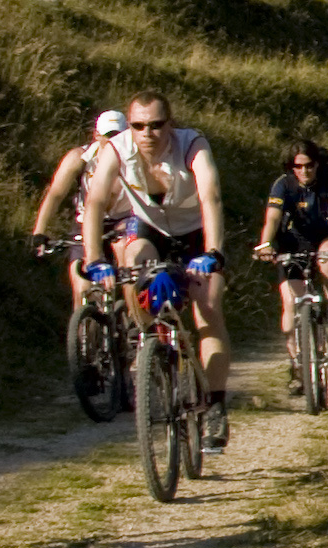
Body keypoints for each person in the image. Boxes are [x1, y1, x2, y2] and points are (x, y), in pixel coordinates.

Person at [79, 90, 232, 445]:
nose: (147, 133)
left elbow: (211, 196)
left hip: (195, 232)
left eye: (156, 125)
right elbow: (96, 202)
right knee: (133, 261)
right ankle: (145, 338)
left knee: (207, 307)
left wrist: (213, 251)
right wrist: (93, 259)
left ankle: (215, 406)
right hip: (151, 228)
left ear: (171, 124)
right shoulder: (117, 149)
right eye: (138, 125)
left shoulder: (192, 144)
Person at [26, 109, 129, 313]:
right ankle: (84, 336)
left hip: (122, 220)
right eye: (108, 136)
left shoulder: (134, 159)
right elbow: (55, 193)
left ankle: (134, 321)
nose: (113, 142)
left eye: (118, 136)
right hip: (86, 222)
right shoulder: (79, 158)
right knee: (81, 286)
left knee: (129, 270)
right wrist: (39, 232)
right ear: (96, 135)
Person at [255, 139, 328, 339]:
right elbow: (273, 217)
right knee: (291, 306)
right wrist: (265, 244)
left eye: (309, 165)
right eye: (298, 166)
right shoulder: (283, 184)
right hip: (292, 242)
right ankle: (297, 362)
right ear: (291, 167)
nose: (305, 171)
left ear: (317, 164)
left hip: (323, 237)